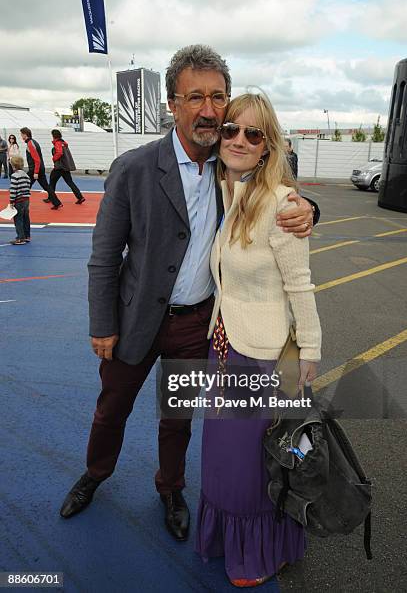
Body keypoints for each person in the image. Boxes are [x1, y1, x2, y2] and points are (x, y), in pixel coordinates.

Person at [59, 45, 319, 542]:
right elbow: (104, 254)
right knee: (112, 406)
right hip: (134, 318)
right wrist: (102, 324)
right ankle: (95, 474)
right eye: (194, 96)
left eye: (217, 97)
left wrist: (307, 208)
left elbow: (277, 193)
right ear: (173, 105)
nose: (208, 108)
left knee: (175, 415)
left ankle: (171, 488)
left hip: (196, 322)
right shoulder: (134, 167)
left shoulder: (231, 168)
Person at [195, 93, 322, 586]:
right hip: (223, 349)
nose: (240, 141)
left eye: (254, 134)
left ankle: (265, 552)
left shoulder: (281, 203)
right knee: (224, 462)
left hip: (263, 359)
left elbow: (301, 285)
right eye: (231, 130)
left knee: (256, 469)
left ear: (269, 146)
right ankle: (234, 541)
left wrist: (308, 352)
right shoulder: (232, 193)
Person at [19, 127, 62, 209]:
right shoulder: (33, 142)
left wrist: (35, 172)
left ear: (25, 134)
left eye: (21, 134)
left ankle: (21, 204)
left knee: (25, 185)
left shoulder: (30, 144)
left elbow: (37, 159)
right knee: (46, 186)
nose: (21, 136)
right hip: (39, 168)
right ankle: (57, 203)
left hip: (35, 169)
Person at [47, 130, 85, 205]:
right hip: (65, 167)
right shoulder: (63, 143)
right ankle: (80, 197)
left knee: (52, 182)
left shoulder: (57, 143)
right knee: (70, 182)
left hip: (59, 167)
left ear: (53, 136)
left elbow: (59, 153)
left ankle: (51, 198)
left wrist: (54, 158)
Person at [9, 155, 31, 245]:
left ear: (13, 166)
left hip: (18, 200)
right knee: (26, 218)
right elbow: (28, 185)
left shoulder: (14, 176)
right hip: (26, 199)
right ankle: (27, 236)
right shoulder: (26, 175)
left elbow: (13, 189)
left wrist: (11, 201)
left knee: (18, 218)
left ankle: (20, 238)